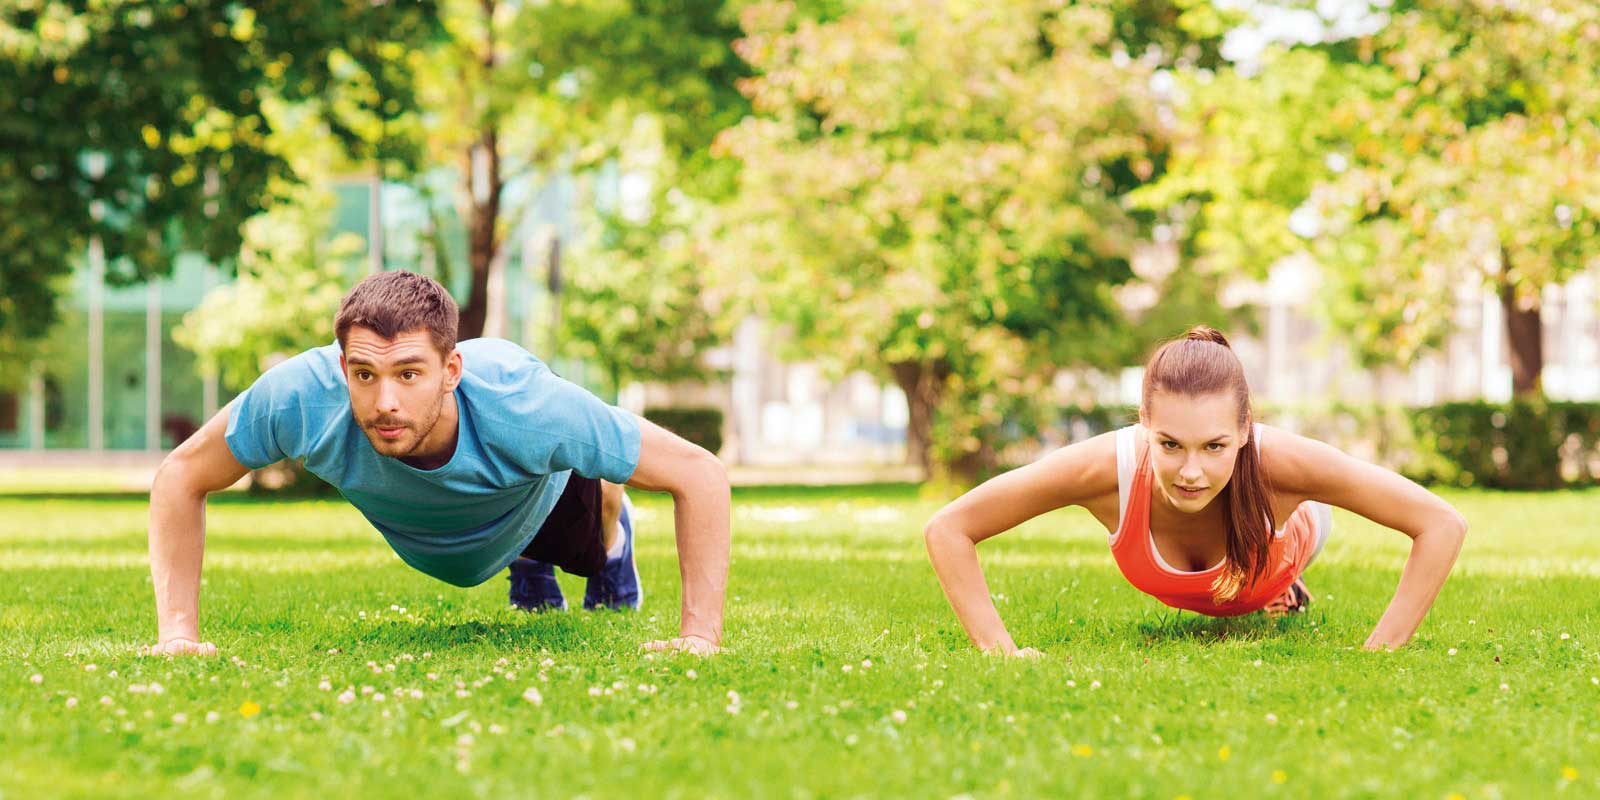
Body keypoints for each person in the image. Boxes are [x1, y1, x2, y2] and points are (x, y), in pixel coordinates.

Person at [143, 271, 729, 657]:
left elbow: (698, 473)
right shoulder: (300, 397)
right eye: (364, 374)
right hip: (450, 526)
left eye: (409, 374)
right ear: (343, 368)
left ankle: (610, 539)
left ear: (450, 372)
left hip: (539, 499)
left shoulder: (529, 405)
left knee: (593, 501)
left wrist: (700, 637)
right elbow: (181, 475)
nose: (385, 402)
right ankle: (528, 558)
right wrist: (177, 635)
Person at [924, 326, 1467, 655]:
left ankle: (1282, 585)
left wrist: (1380, 651)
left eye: (1214, 446)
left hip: (1288, 534)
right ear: (1144, 424)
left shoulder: (1284, 463)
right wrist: (1000, 652)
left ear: (1245, 430)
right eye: (1170, 444)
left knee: (1267, 558)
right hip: (1233, 554)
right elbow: (949, 528)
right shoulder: (1103, 469)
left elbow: (1441, 523)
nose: (1190, 472)